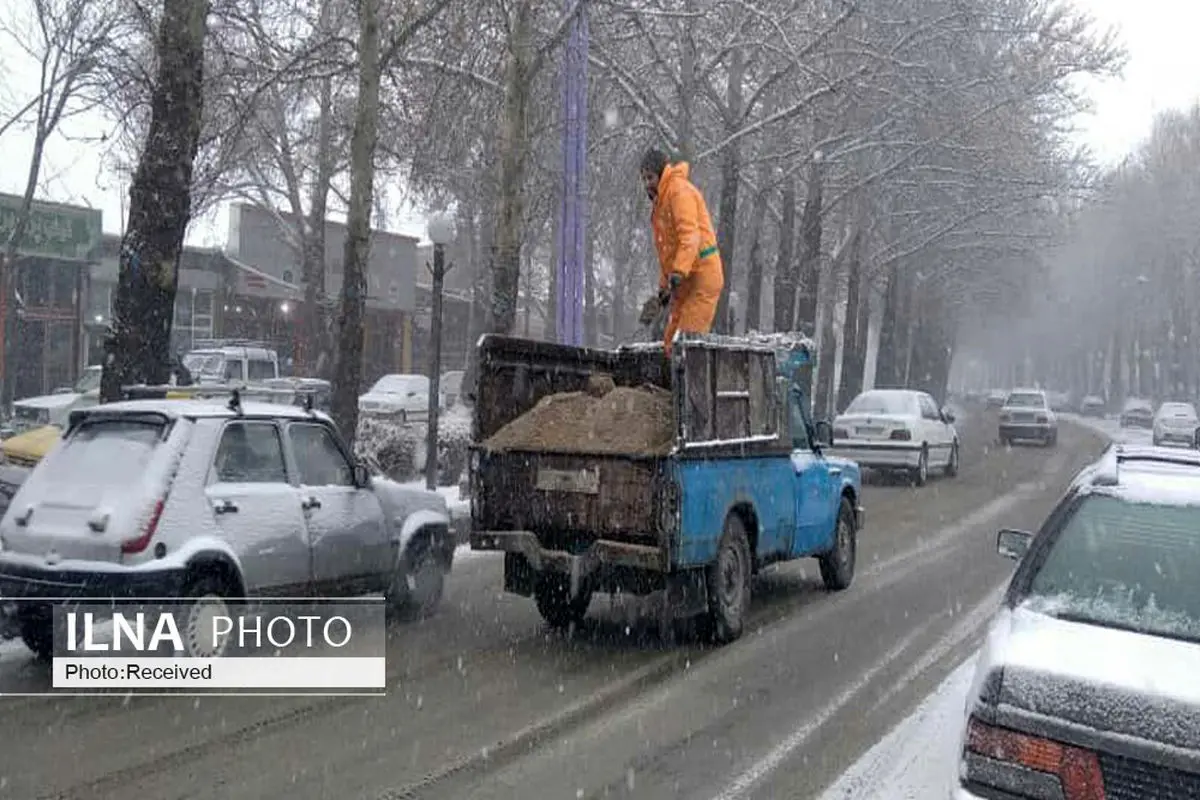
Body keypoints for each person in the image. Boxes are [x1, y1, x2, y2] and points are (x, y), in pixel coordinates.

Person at [637, 148, 725, 355]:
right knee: (670, 341)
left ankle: (685, 386)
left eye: (649, 177)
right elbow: (668, 252)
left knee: (686, 341)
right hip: (685, 278)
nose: (646, 184)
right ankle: (670, 385)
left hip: (702, 276)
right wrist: (663, 289)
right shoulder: (662, 201)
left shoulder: (679, 192)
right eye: (643, 179)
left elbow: (690, 236)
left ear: (661, 173)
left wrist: (678, 272)